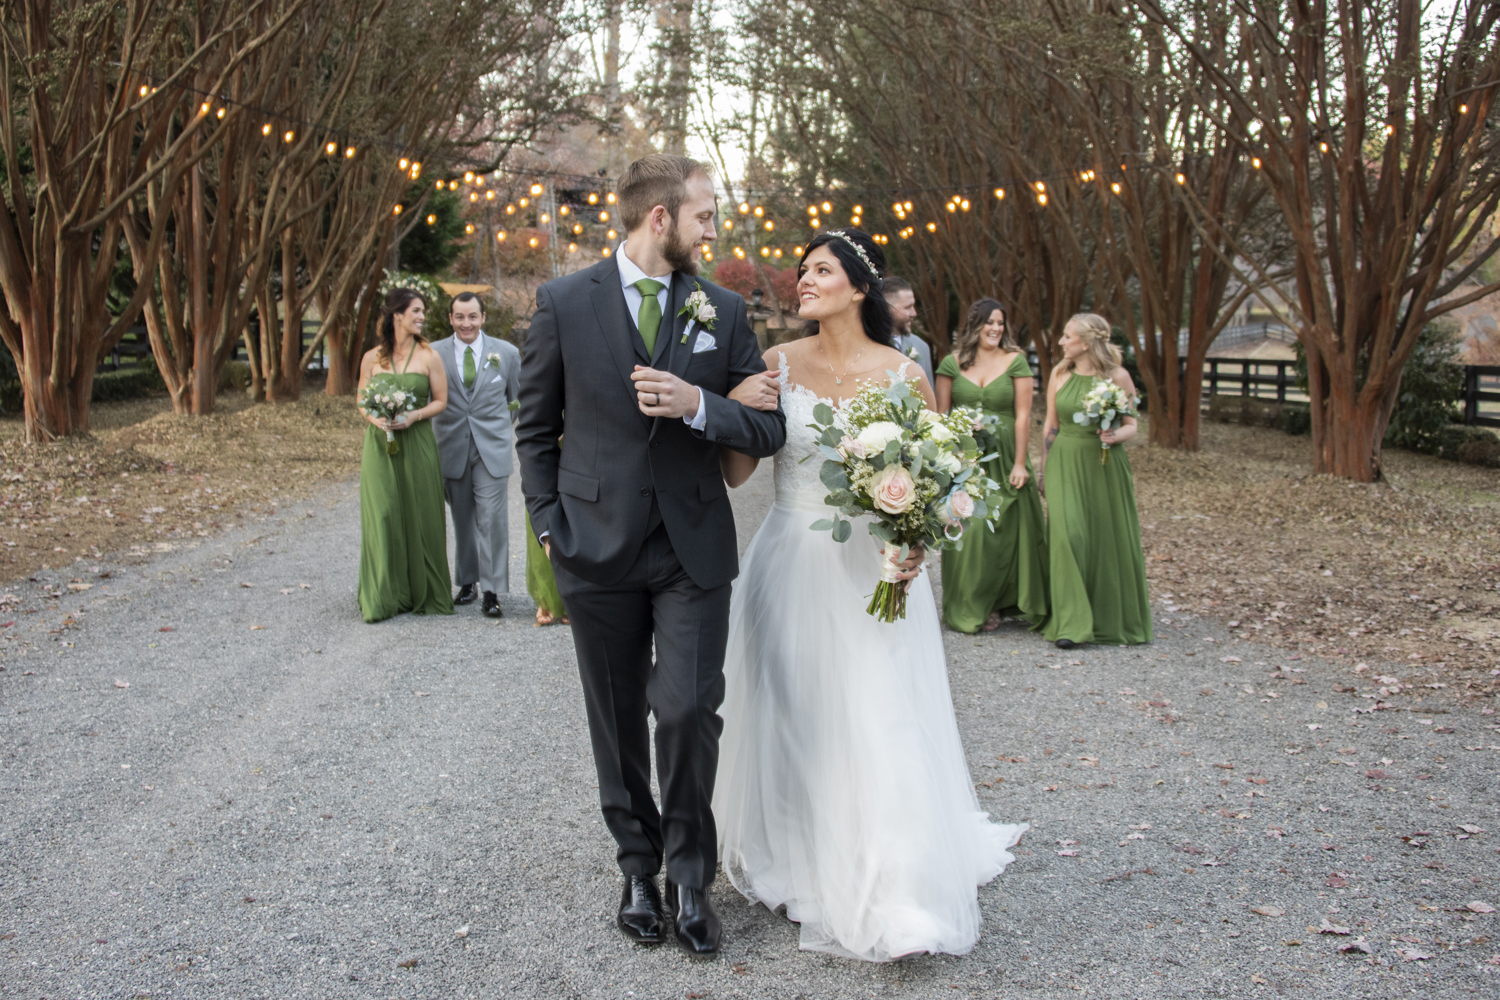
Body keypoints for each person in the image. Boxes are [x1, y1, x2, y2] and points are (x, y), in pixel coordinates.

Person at [715, 229, 1027, 963]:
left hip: (876, 572)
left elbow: (943, 476)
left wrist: (918, 537)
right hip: (789, 561)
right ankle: (798, 854)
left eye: (820, 270)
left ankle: (895, 886)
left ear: (860, 287)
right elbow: (736, 474)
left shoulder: (903, 370)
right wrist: (733, 402)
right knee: (797, 714)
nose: (803, 280)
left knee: (878, 712)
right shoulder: (774, 364)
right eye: (801, 271)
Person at [515, 153, 787, 956]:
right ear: (659, 217)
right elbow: (534, 428)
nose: (714, 228)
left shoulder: (724, 310)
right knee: (616, 719)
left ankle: (690, 875)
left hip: (692, 547)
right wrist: (546, 526)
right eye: (705, 214)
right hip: (592, 550)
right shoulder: (564, 302)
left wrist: (701, 405)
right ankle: (636, 866)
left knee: (687, 710)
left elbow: (768, 429)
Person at [1037, 313, 1152, 649]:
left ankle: (1105, 617)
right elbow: (1051, 428)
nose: (1061, 342)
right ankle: (1071, 623)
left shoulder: (1118, 377)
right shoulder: (1060, 373)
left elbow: (1133, 423)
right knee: (1067, 535)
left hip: (1104, 463)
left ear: (1086, 342)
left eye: (1067, 336)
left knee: (1103, 536)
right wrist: (1043, 471)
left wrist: (1115, 435)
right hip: (1064, 462)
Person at [934, 298, 1049, 633]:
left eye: (1000, 323)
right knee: (971, 534)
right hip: (966, 458)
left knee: (1008, 532)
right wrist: (948, 458)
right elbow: (942, 416)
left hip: (1006, 457)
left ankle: (1002, 602)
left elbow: (1024, 415)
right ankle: (970, 605)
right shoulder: (952, 365)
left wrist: (1020, 463)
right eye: (990, 323)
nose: (996, 329)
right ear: (974, 326)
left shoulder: (1015, 361)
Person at [356, 289, 456, 623]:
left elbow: (441, 400)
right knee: (383, 513)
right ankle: (385, 595)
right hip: (379, 446)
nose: (422, 316)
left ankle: (423, 591)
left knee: (421, 511)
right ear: (396, 314)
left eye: (423, 311)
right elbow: (360, 399)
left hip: (417, 443)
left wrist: (413, 416)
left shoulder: (429, 355)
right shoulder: (372, 358)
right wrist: (376, 418)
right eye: (416, 310)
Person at [430, 292, 521, 618]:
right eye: (459, 317)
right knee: (463, 519)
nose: (465, 323)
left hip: (491, 450)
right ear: (451, 319)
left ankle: (492, 590)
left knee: (492, 520)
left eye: (472, 316)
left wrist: (494, 431)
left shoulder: (507, 353)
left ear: (483, 318)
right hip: (451, 446)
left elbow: (515, 401)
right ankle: (467, 582)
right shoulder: (433, 354)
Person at [882, 275, 934, 386]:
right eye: (907, 307)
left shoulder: (921, 346)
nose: (914, 313)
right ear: (886, 309)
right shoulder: (867, 346)